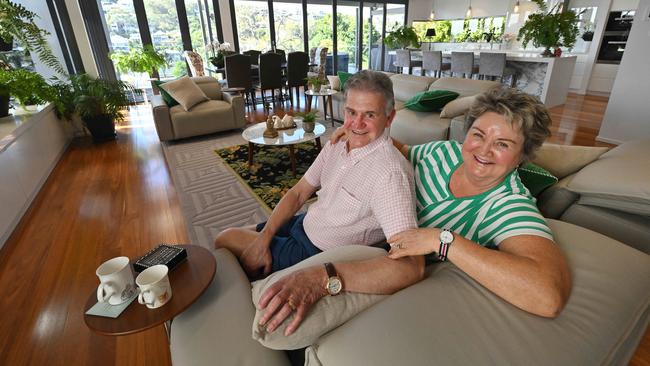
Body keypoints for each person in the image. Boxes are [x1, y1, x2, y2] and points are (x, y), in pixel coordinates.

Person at [329, 87, 572, 318]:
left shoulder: (509, 204)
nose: (484, 151)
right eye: (478, 135)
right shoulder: (446, 152)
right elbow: (402, 151)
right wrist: (364, 134)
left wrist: (441, 239)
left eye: (502, 144)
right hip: (351, 226)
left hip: (380, 264)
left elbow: (547, 296)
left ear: (522, 156)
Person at [215, 70, 420, 297]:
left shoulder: (390, 173)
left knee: (225, 239)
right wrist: (264, 239)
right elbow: (299, 193)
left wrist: (330, 274)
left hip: (315, 251)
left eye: (370, 115)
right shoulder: (339, 143)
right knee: (238, 239)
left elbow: (412, 264)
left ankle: (256, 287)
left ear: (389, 118)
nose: (357, 123)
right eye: (352, 112)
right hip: (304, 223)